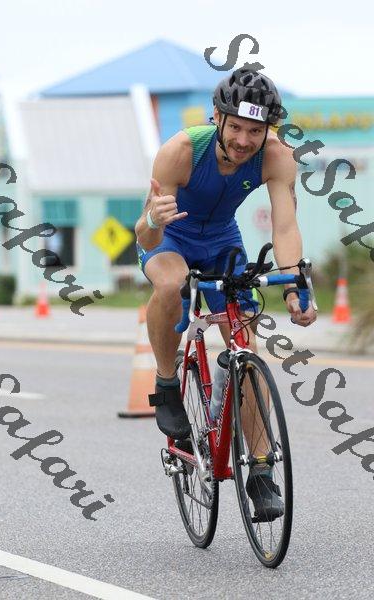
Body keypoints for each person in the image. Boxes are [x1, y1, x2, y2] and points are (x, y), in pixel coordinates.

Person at [135, 69, 317, 519]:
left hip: (221, 240)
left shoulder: (277, 156)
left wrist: (294, 284)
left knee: (246, 350)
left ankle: (261, 470)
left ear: (269, 129)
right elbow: (145, 236)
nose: (243, 140)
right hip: (171, 237)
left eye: (255, 131)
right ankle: (166, 383)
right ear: (217, 117)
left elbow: (285, 227)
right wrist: (154, 220)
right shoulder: (180, 151)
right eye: (235, 127)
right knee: (172, 284)